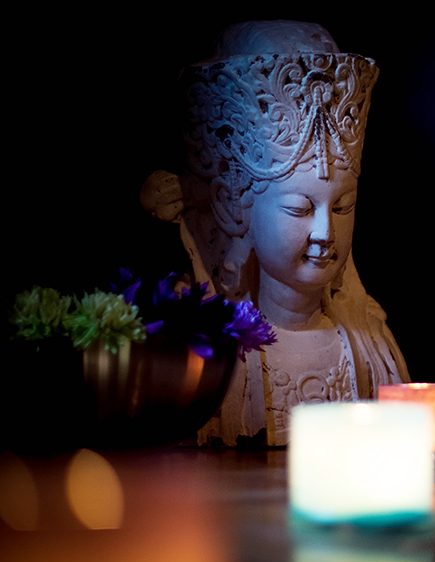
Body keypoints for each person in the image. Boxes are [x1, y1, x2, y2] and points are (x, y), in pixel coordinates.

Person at [141, 20, 409, 446]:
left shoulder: (369, 347)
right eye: (299, 209)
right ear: (233, 207)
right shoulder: (205, 357)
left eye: (342, 207)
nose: (324, 232)